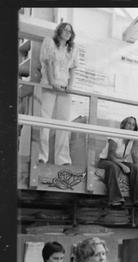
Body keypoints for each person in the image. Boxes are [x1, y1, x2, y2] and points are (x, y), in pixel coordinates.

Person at [38, 22, 79, 165]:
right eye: (65, 30)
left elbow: (73, 68)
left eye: (70, 30)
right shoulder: (49, 42)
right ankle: (42, 156)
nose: (68, 32)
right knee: (45, 119)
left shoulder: (72, 48)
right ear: (59, 31)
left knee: (63, 122)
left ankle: (62, 159)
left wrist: (70, 85)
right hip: (49, 84)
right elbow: (48, 63)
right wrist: (51, 82)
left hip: (64, 87)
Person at [97, 116, 138, 209]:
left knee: (136, 169)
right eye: (129, 123)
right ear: (123, 125)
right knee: (113, 167)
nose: (131, 126)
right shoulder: (116, 135)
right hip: (106, 161)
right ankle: (115, 200)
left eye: (133, 125)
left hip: (121, 161)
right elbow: (110, 156)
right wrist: (122, 166)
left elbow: (134, 154)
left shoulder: (133, 139)